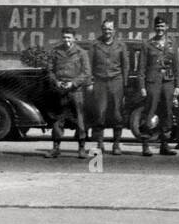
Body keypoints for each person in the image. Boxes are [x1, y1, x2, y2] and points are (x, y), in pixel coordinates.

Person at [138, 16, 179, 157]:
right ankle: (145, 144)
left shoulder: (171, 44)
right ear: (154, 27)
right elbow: (142, 67)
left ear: (167, 27)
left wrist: (178, 85)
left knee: (167, 113)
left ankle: (164, 144)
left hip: (168, 82)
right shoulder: (148, 44)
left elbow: (176, 66)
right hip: (152, 82)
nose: (160, 29)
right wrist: (142, 86)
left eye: (162, 26)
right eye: (157, 26)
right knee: (149, 112)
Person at [47, 29, 92, 159]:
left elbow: (86, 72)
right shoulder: (56, 51)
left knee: (79, 119)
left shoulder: (81, 53)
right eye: (64, 38)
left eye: (69, 38)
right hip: (60, 90)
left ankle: (81, 148)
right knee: (57, 119)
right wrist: (56, 82)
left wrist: (73, 83)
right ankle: (56, 148)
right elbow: (49, 70)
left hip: (75, 91)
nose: (66, 40)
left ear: (74, 38)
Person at [88, 20, 127, 156]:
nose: (107, 32)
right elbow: (89, 66)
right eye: (105, 29)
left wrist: (124, 84)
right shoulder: (95, 45)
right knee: (100, 113)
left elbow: (125, 66)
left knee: (117, 114)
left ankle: (116, 144)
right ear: (101, 30)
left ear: (114, 30)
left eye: (110, 29)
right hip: (100, 82)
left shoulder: (121, 45)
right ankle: (99, 144)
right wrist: (90, 82)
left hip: (116, 81)